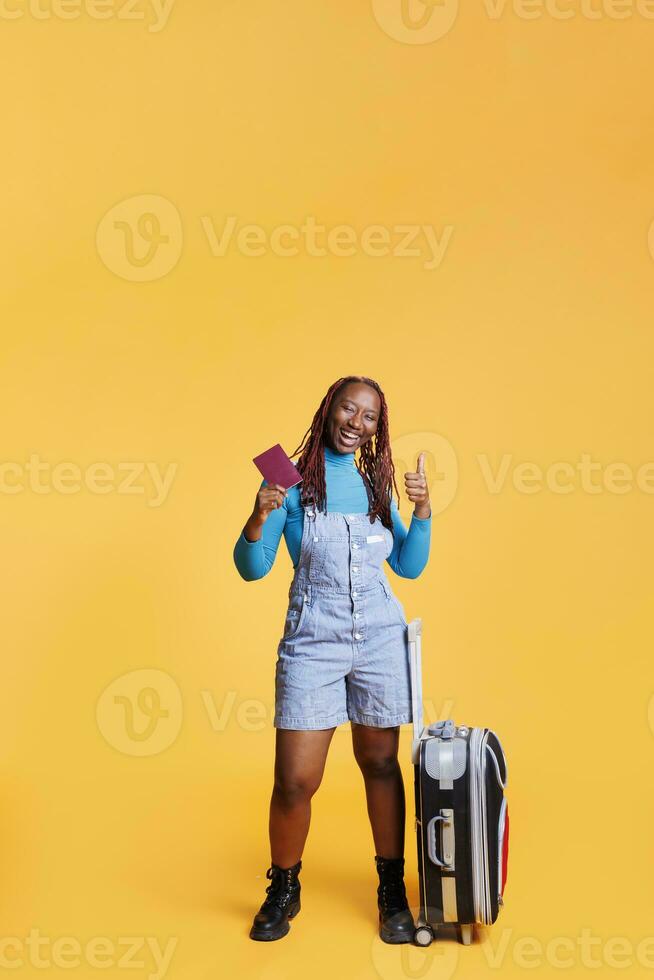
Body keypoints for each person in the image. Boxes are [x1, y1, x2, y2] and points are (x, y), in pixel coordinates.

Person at [233, 375, 432, 943]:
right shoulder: (286, 482)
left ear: (377, 429)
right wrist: (257, 516)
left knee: (380, 765)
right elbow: (252, 567)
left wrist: (421, 511)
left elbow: (410, 566)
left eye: (369, 417)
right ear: (328, 410)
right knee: (295, 779)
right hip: (313, 639)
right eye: (349, 409)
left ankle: (391, 888)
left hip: (378, 638)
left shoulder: (374, 487)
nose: (357, 423)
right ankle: (283, 886)